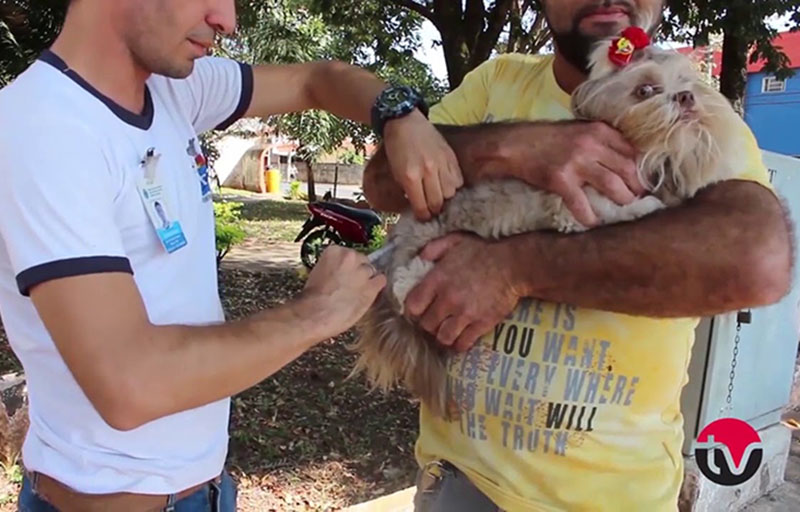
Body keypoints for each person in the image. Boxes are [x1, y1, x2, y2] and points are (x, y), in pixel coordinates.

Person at [0, 1, 462, 511]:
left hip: (204, 487)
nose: (228, 20)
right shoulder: (45, 129)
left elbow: (317, 79)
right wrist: (315, 313)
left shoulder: (174, 89)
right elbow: (129, 385)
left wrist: (399, 114)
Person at [363, 0, 795, 510]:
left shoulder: (696, 106)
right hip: (461, 484)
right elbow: (384, 183)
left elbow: (757, 261)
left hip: (616, 497)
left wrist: (512, 270)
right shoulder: (496, 80)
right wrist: (516, 146)